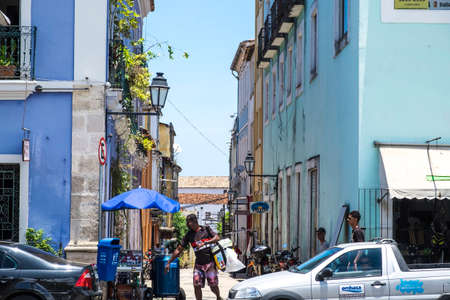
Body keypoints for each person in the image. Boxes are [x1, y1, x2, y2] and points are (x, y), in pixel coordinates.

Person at [165, 214, 222, 300]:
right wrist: (169, 262)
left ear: (195, 222)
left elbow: (217, 238)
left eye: (189, 223)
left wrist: (206, 242)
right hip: (198, 264)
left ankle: (218, 297)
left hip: (210, 263)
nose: (187, 225)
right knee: (196, 284)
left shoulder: (206, 230)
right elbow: (179, 249)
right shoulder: (189, 235)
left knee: (213, 285)